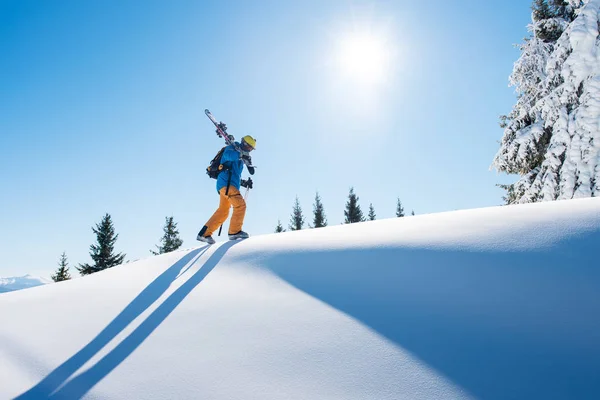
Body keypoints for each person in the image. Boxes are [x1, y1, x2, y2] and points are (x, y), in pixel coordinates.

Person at [197, 135, 256, 244]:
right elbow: (228, 156)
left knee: (223, 211)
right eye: (249, 148)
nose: (249, 151)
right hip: (226, 184)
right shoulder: (232, 148)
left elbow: (234, 174)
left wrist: (244, 183)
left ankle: (204, 234)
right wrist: (241, 154)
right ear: (244, 144)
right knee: (240, 205)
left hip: (227, 185)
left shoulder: (240, 158)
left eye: (251, 149)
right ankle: (234, 232)